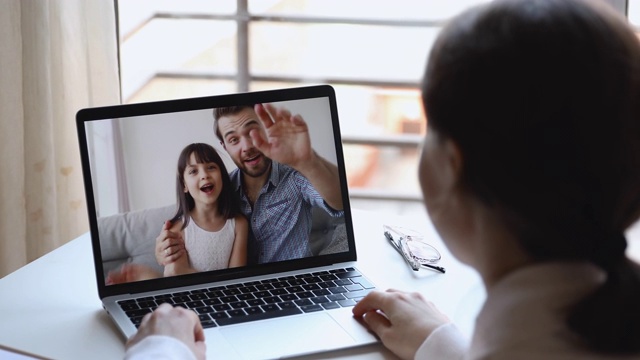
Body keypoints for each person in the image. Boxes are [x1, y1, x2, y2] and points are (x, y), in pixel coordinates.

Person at [126, 0, 640, 358]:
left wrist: (161, 350)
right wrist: (442, 344)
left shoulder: (294, 174)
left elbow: (328, 196)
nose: (243, 146)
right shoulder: (223, 192)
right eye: (229, 140)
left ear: (451, 165)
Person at [157, 103, 344, 266]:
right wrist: (164, 250)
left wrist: (308, 160)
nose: (247, 146)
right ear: (225, 147)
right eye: (234, 140)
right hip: (242, 293)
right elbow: (192, 223)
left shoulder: (295, 176)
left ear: (266, 129)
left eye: (252, 132)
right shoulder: (219, 188)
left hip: (295, 283)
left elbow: (341, 201)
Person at [107, 143, 248, 284]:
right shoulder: (178, 229)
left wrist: (186, 273)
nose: (205, 175)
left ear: (222, 176)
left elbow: (235, 282)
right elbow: (174, 276)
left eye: (211, 167)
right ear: (184, 185)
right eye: (193, 171)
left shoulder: (239, 224)